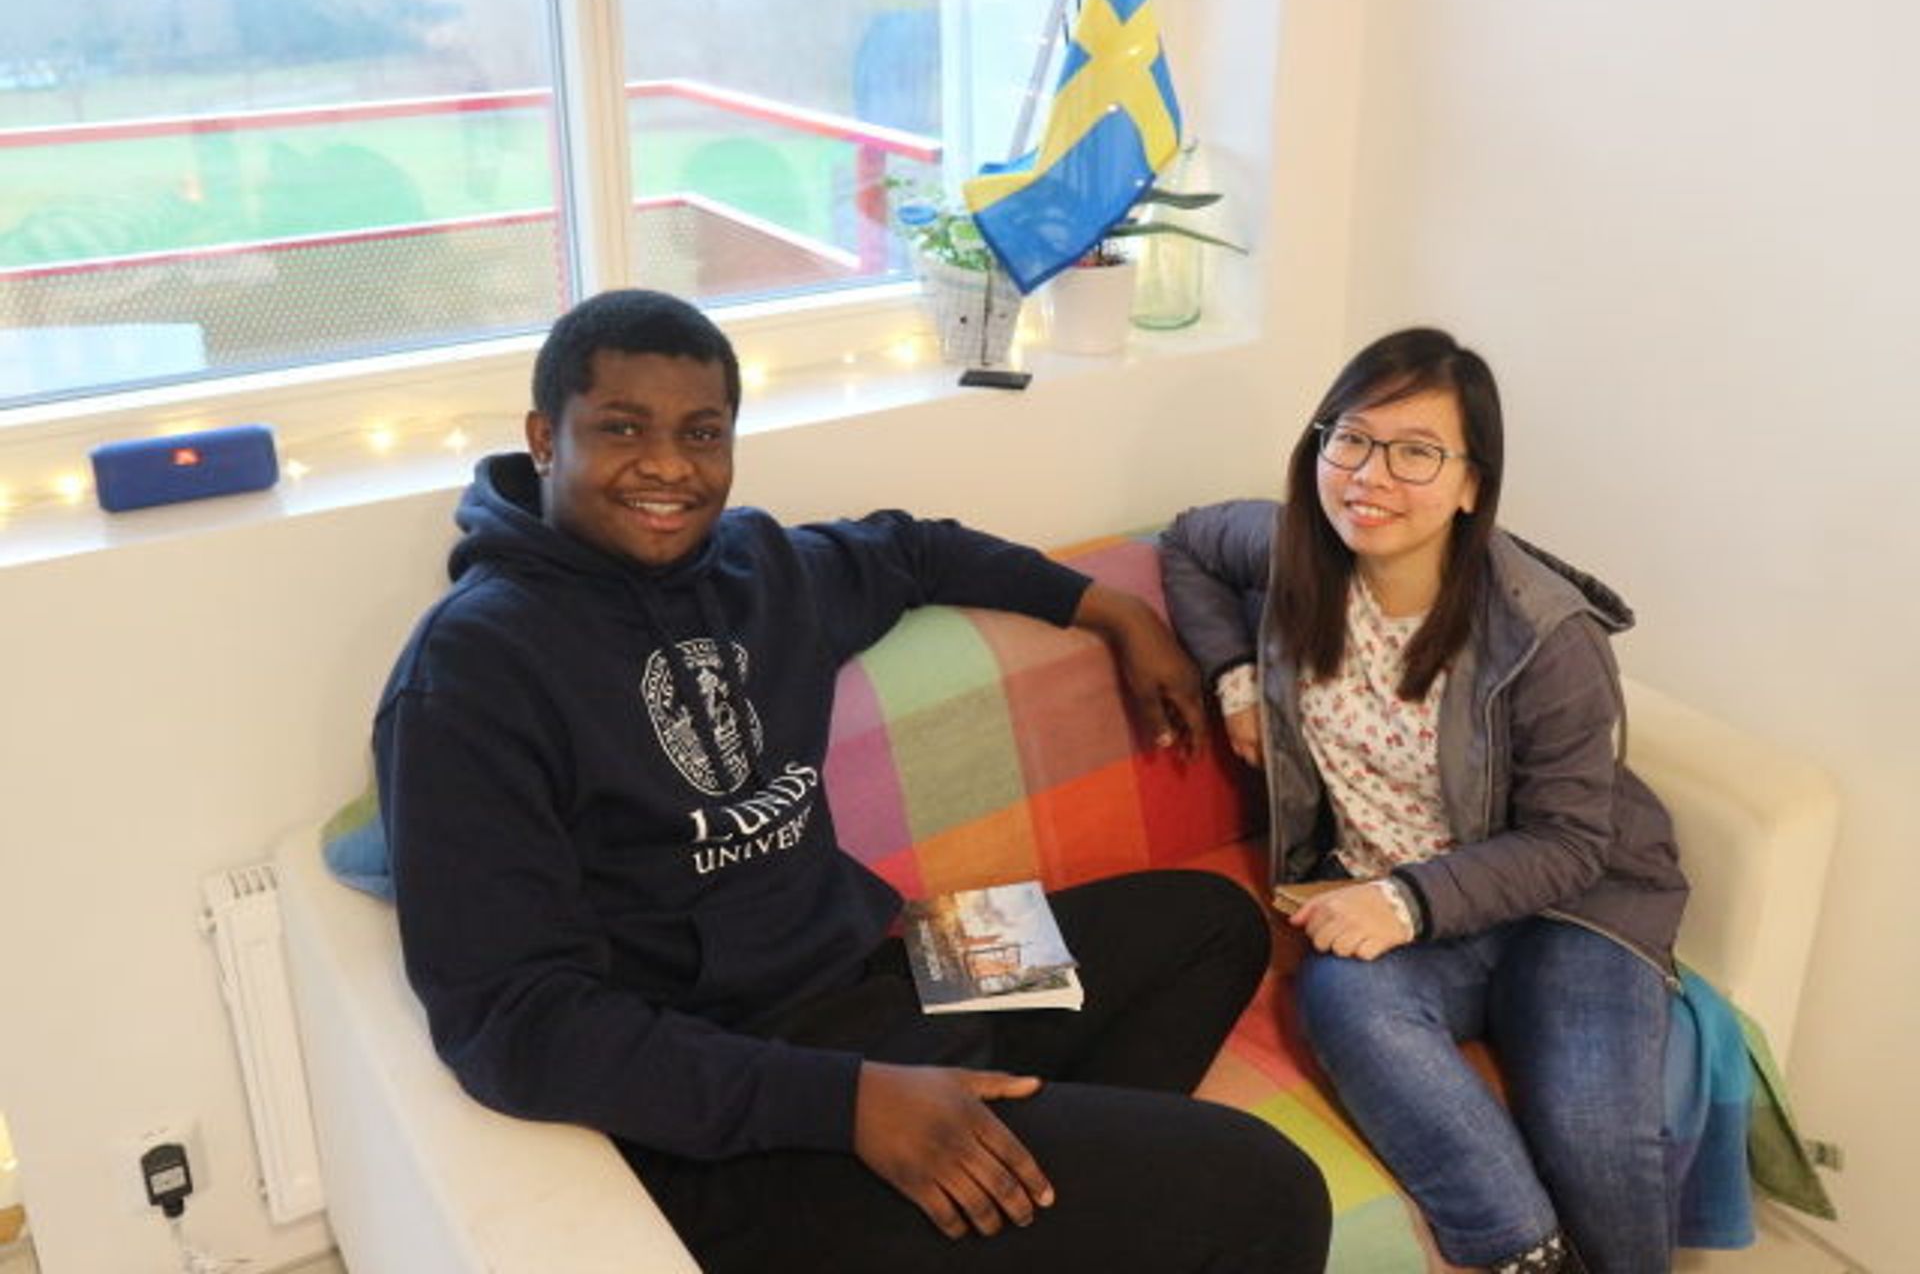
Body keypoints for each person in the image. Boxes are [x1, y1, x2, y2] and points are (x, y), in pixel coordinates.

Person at [375, 289, 1331, 1273]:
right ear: (544, 438)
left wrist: (1108, 612)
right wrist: (846, 1104)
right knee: (1268, 1192)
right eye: (622, 428)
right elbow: (514, 1025)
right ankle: (1013, 1190)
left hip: (883, 973)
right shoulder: (472, 676)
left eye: (701, 433)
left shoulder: (758, 568)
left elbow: (915, 550)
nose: (666, 464)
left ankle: (1033, 1206)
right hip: (734, 1097)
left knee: (1207, 923)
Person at [1159, 327, 1688, 1274]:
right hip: (1415, 922)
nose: (1370, 475)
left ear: (1471, 484)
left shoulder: (1544, 633)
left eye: (1416, 453)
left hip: (1569, 907)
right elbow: (1189, 542)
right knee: (1343, 995)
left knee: (1593, 1132)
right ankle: (1532, 1256)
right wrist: (1234, 677)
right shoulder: (1293, 553)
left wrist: (1405, 900)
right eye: (1350, 438)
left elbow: (1571, 841)